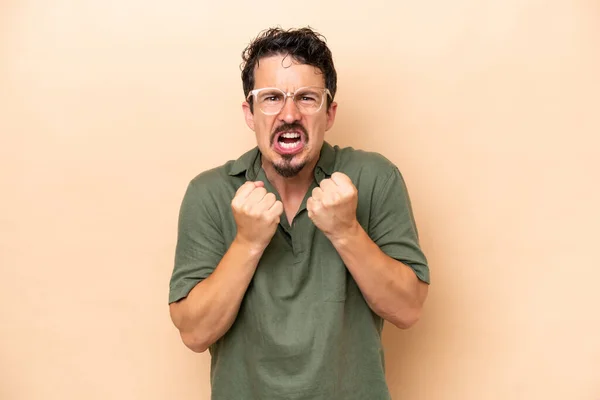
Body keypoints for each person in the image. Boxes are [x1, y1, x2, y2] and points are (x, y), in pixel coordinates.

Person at [168, 27, 430, 400]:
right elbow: (194, 334)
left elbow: (407, 310)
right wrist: (246, 242)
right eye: (272, 97)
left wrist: (345, 231)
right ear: (250, 112)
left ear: (329, 112)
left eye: (307, 98)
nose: (289, 114)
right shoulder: (209, 193)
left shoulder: (375, 178)